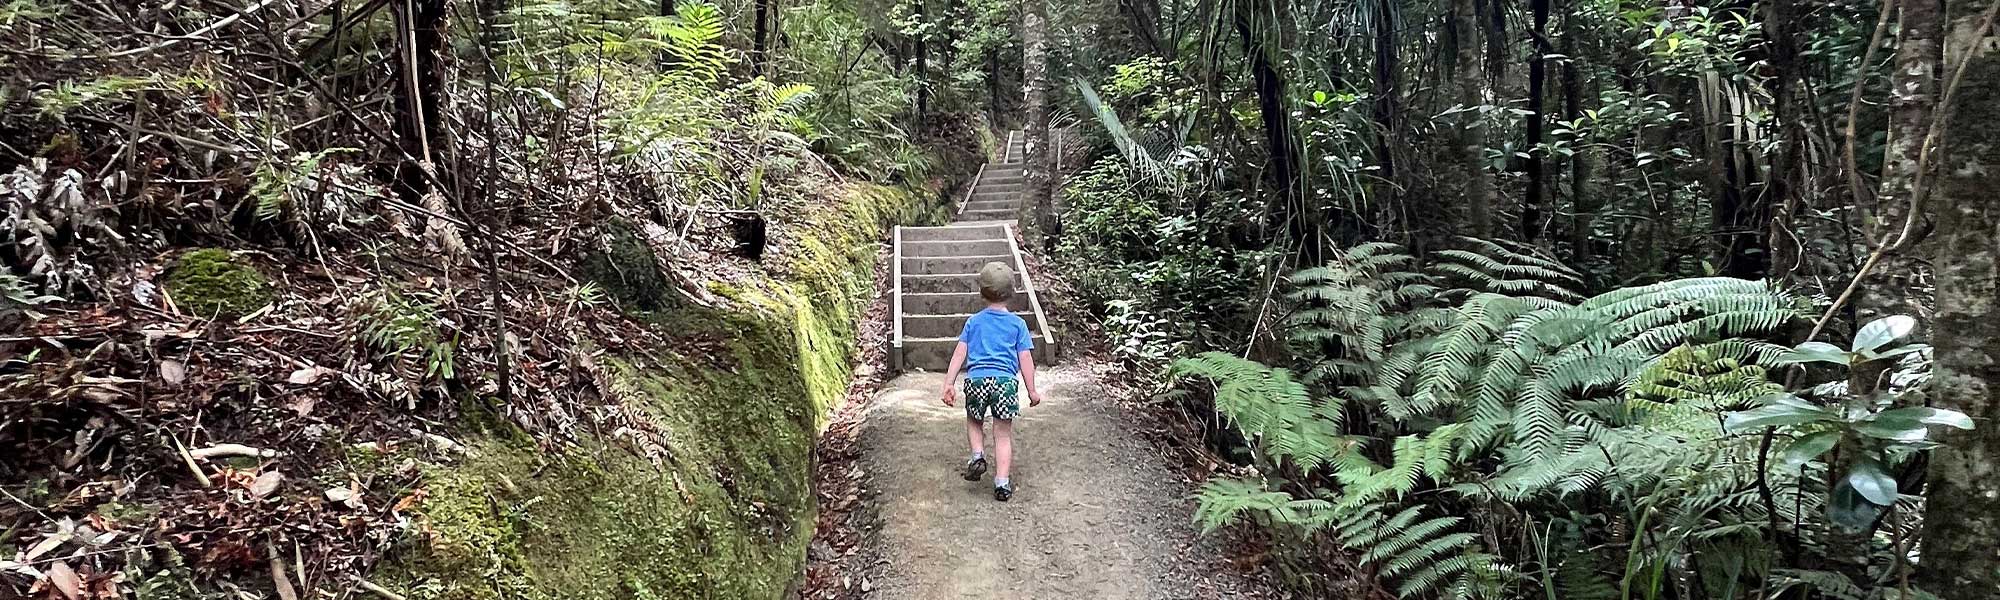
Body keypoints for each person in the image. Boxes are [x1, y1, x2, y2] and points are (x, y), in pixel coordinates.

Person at [940, 261, 1044, 501]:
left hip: (976, 381)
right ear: (1012, 293)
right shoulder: (1018, 325)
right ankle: (1002, 483)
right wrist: (1032, 391)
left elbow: (959, 353)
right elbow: (1026, 359)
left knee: (974, 421)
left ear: (981, 293)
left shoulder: (974, 322)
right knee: (1003, 433)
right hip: (1005, 383)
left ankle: (977, 455)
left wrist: (949, 382)